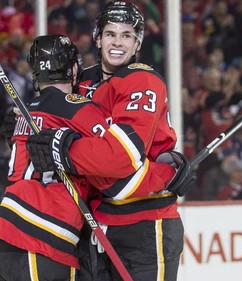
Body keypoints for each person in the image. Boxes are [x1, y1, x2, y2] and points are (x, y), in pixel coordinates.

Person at [26, 2, 196, 281]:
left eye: (126, 35)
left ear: (138, 42)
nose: (117, 42)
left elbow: (120, 158)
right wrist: (22, 119)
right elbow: (48, 113)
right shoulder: (81, 81)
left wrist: (64, 150)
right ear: (97, 37)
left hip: (145, 224)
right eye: (110, 34)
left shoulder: (142, 80)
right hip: (93, 225)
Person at [0, 34, 110, 280]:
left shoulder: (23, 112)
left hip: (8, 232)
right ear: (73, 69)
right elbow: (112, 157)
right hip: (45, 233)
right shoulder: (79, 108)